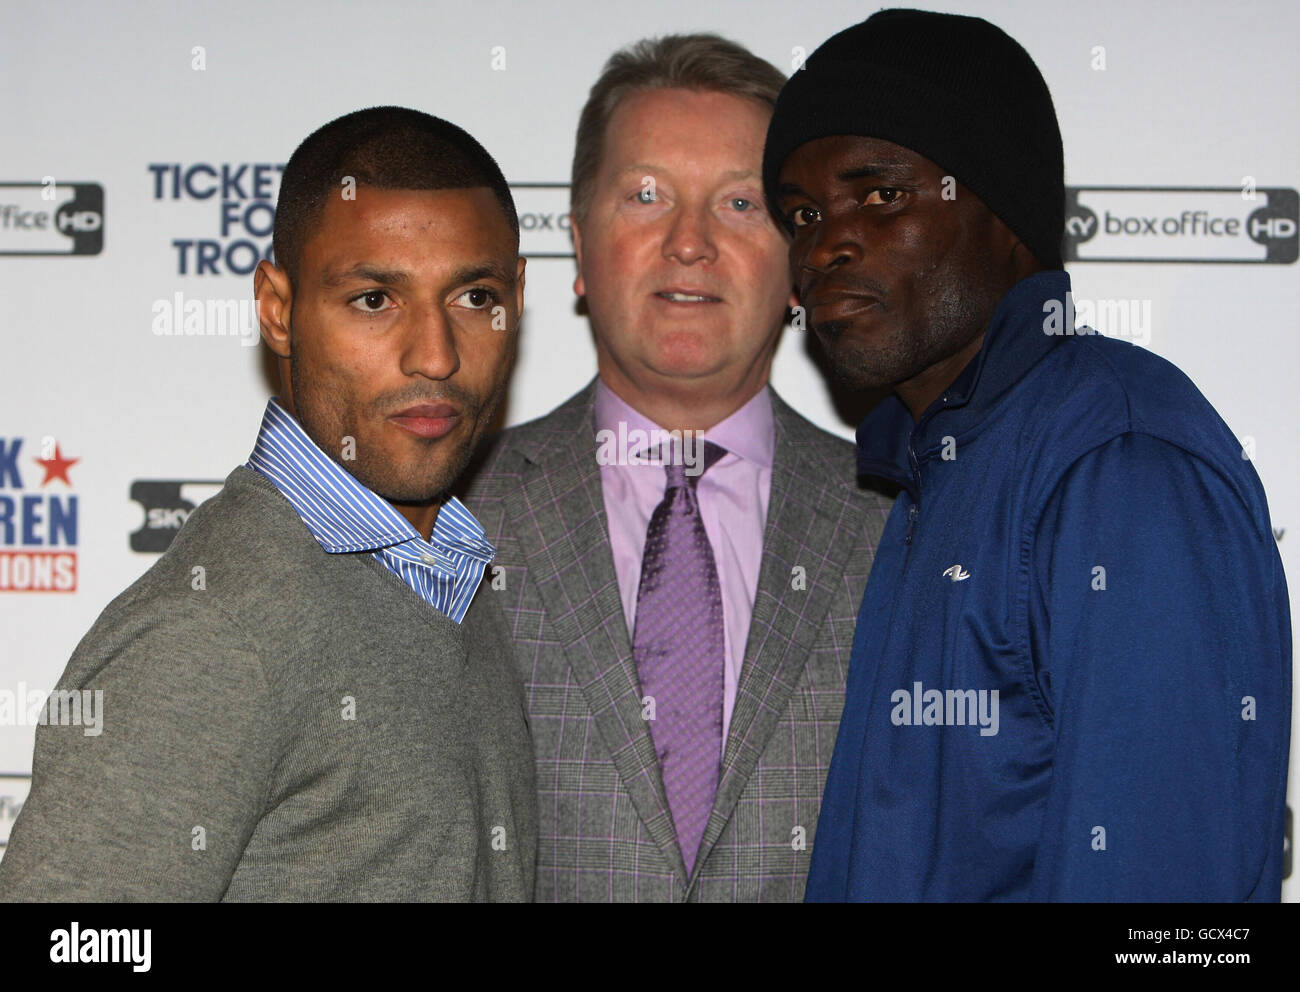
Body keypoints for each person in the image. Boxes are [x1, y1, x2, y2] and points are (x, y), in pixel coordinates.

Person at [763, 8, 1291, 901]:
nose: (824, 245)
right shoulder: (935, 467)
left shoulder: (1121, 465)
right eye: (804, 213)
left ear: (1003, 210)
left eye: (881, 194)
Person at [0, 106, 536, 901]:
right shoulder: (216, 630)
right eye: (374, 300)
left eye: (473, 295)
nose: (436, 352)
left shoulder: (453, 577)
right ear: (278, 310)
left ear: (518, 298)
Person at [461, 34, 893, 902]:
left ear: (799, 263)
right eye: (647, 195)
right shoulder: (449, 519)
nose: (689, 242)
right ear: (580, 248)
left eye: (739, 203)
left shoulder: (902, 526)